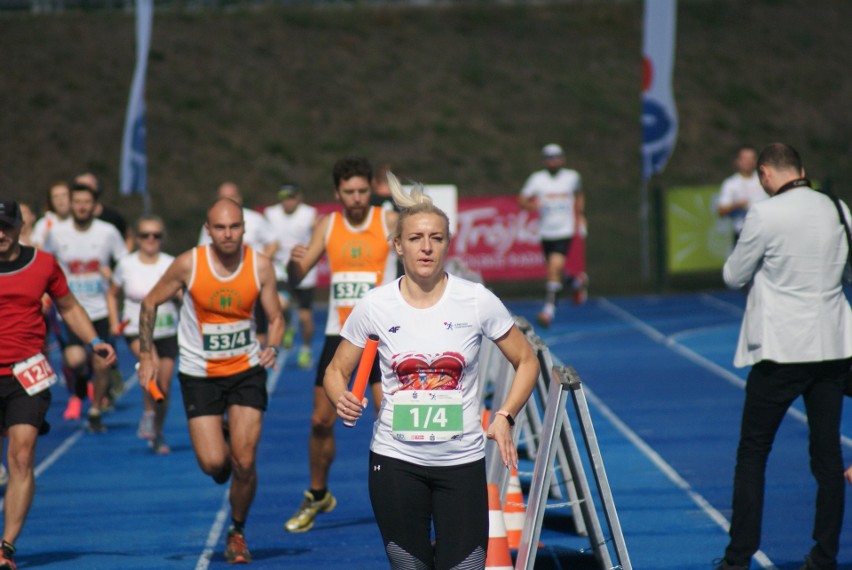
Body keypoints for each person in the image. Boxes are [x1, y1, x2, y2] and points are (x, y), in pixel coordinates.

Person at [325, 172, 540, 570]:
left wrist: (505, 416)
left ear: (447, 244)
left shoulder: (476, 300)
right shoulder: (375, 305)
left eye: (436, 238)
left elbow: (527, 361)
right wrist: (341, 396)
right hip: (394, 460)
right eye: (415, 239)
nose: (426, 248)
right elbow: (335, 370)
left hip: (461, 462)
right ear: (398, 246)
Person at [714, 144, 852, 570]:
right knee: (827, 457)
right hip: (832, 348)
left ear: (765, 176)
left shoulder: (764, 213)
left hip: (781, 351)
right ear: (802, 171)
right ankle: (825, 555)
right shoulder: (838, 207)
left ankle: (738, 559)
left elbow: (734, 274)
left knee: (753, 454)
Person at [138, 197, 283, 564]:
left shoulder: (260, 266)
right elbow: (150, 303)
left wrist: (274, 347)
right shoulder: (189, 263)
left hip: (246, 371)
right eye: (220, 227)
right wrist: (145, 355)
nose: (228, 234)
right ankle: (226, 436)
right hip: (199, 373)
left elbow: (276, 318)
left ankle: (237, 531)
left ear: (244, 228)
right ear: (208, 229)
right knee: (214, 464)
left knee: (245, 461)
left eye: (234, 226)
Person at [283, 156, 398, 533]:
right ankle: (318, 494)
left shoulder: (388, 220)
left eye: (363, 190)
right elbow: (298, 278)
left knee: (389, 421)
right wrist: (292, 265)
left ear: (372, 189)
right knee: (320, 420)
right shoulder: (328, 224)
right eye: (349, 192)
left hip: (385, 336)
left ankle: (402, 499)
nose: (356, 198)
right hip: (342, 334)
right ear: (337, 193)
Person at [0, 199, 116, 570]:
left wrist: (92, 341)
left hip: (26, 373)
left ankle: (6, 547)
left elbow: (68, 307)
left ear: (19, 226)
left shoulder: (44, 264)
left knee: (21, 454)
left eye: (5, 225)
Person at [42, 183, 127, 431]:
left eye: (86, 202)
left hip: (99, 309)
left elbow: (124, 263)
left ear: (95, 205)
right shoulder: (57, 233)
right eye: (77, 201)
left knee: (101, 363)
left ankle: (95, 409)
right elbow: (46, 264)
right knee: (76, 359)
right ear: (70, 204)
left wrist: (112, 275)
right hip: (68, 310)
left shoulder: (108, 232)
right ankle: (79, 385)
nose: (81, 206)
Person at [107, 215, 178, 454]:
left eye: (156, 235)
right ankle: (148, 411)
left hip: (168, 329)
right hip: (136, 330)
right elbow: (112, 294)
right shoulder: (126, 264)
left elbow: (184, 294)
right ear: (137, 238)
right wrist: (114, 320)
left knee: (164, 387)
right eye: (145, 235)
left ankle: (157, 432)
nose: (151, 240)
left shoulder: (171, 263)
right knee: (153, 367)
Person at [199, 182, 276, 347]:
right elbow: (202, 254)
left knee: (258, 333)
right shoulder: (211, 223)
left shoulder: (255, 219)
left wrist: (257, 265)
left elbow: (273, 243)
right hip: (223, 286)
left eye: (232, 196)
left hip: (253, 286)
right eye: (223, 197)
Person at [518, 143, 586, 328]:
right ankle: (575, 282)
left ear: (562, 159)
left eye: (556, 157)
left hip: (564, 231)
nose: (553, 161)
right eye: (549, 158)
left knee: (553, 268)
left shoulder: (572, 177)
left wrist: (580, 216)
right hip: (546, 232)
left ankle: (548, 311)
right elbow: (522, 199)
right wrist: (533, 206)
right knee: (554, 271)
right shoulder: (537, 179)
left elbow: (579, 195)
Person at [264, 183, 318, 369]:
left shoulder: (309, 213)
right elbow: (267, 239)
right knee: (280, 304)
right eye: (284, 197)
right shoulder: (271, 214)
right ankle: (285, 327)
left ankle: (305, 348)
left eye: (291, 197)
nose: (288, 202)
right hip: (280, 268)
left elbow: (318, 235)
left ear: (298, 198)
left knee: (305, 317)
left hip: (304, 270)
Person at [716, 145, 767, 244]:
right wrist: (737, 205)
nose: (748, 161)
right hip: (743, 234)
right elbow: (721, 211)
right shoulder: (731, 183)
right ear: (738, 161)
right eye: (745, 158)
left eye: (751, 158)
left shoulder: (765, 179)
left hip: (766, 232)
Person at [74, 173, 134, 252]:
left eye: (88, 187)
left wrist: (122, 260)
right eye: (80, 187)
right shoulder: (69, 220)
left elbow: (129, 236)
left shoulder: (112, 218)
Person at [31, 181, 71, 249]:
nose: (60, 199)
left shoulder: (79, 222)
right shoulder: (43, 224)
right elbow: (38, 248)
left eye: (64, 195)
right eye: (55, 196)